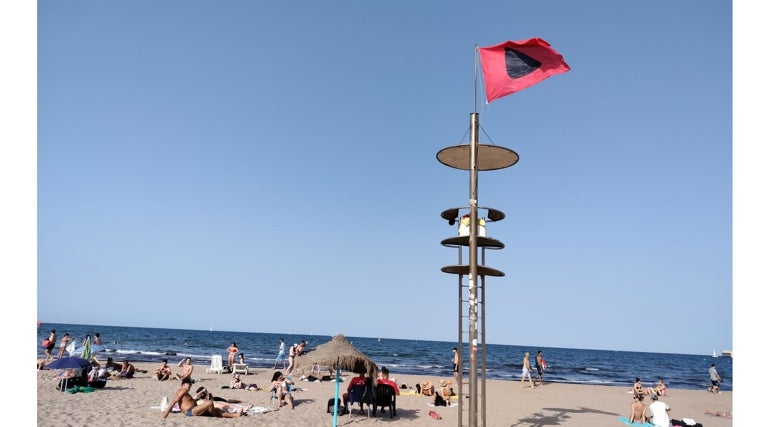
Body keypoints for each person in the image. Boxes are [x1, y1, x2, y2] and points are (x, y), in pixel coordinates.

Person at [161, 377, 242, 418]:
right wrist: (166, 414)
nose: (190, 387)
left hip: (194, 409)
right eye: (189, 385)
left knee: (216, 409)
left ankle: (235, 415)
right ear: (183, 385)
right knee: (210, 403)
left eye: (191, 385)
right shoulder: (183, 390)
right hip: (190, 412)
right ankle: (216, 415)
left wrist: (195, 398)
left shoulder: (184, 392)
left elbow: (187, 401)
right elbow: (173, 401)